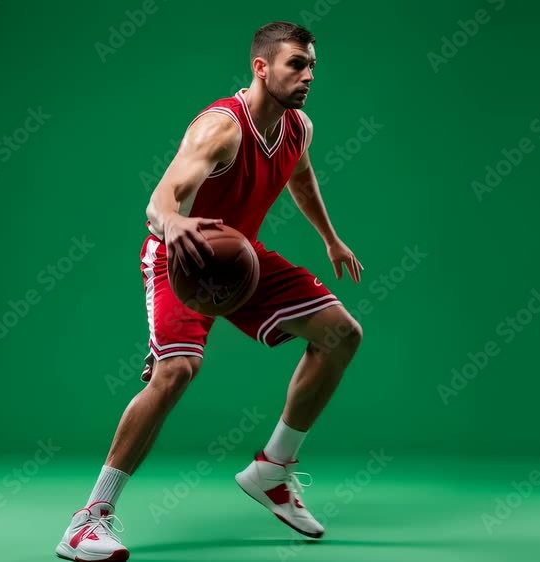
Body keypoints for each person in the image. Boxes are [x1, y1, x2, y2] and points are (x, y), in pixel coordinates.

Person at [56, 21, 364, 562]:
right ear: (261, 67)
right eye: (297, 64)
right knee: (177, 371)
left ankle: (272, 470)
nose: (309, 75)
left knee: (340, 332)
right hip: (181, 256)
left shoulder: (298, 128)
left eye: (312, 65)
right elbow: (162, 197)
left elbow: (301, 177)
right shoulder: (221, 127)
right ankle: (88, 521)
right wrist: (172, 221)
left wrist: (331, 239)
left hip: (239, 258)